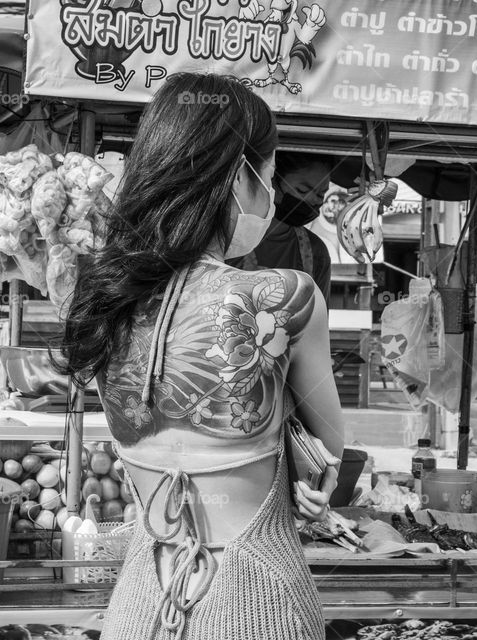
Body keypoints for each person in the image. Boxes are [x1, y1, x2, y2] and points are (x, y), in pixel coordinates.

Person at [58, 73, 345, 640]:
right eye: (269, 173)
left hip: (141, 604)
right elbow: (330, 450)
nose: (275, 193)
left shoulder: (101, 298)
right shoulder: (282, 297)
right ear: (240, 174)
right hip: (259, 606)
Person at [233, 151, 334, 300]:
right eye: (303, 190)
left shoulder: (317, 252)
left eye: (321, 194)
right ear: (271, 181)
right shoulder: (231, 243)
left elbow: (320, 319)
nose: (313, 200)